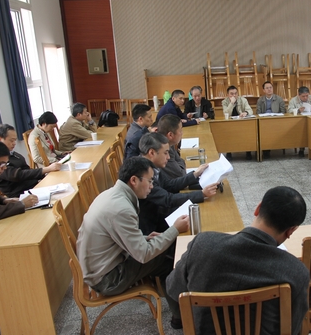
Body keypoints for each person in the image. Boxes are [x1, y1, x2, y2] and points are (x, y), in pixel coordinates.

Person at [167, 186, 310, 335]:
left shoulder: (202, 246)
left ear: (258, 208)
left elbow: (172, 288)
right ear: (291, 230)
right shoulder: (295, 272)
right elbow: (291, 329)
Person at [77, 156, 189, 311]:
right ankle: (181, 316)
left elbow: (117, 236)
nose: (152, 186)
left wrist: (144, 238)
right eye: (150, 181)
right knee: (169, 259)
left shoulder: (110, 194)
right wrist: (175, 229)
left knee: (165, 248)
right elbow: (144, 254)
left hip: (101, 268)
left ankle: (179, 312)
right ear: (134, 180)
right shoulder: (121, 208)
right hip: (108, 279)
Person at [138, 133, 219, 234]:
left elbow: (169, 184)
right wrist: (201, 194)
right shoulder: (142, 175)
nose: (168, 157)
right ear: (152, 153)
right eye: (165, 153)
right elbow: (168, 199)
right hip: (153, 226)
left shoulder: (151, 166)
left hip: (161, 213)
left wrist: (195, 174)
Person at [0, 123, 61, 198]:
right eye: (11, 140)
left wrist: (44, 174)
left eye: (15, 140)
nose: (14, 143)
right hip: (21, 194)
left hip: (33, 187)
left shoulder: (13, 154)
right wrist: (46, 169)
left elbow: (27, 170)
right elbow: (18, 175)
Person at [221, 85, 254, 160]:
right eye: (231, 94)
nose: (234, 95)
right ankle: (229, 152)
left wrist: (245, 112)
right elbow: (226, 113)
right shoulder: (224, 102)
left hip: (242, 122)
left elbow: (250, 110)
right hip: (230, 123)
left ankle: (248, 151)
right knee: (226, 132)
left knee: (248, 131)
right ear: (227, 95)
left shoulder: (243, 100)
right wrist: (231, 103)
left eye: (235, 93)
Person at [155, 115, 189, 180]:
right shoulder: (163, 149)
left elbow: (179, 160)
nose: (182, 133)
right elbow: (181, 174)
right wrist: (181, 163)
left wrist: (180, 163)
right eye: (180, 130)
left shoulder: (170, 144)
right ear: (170, 135)